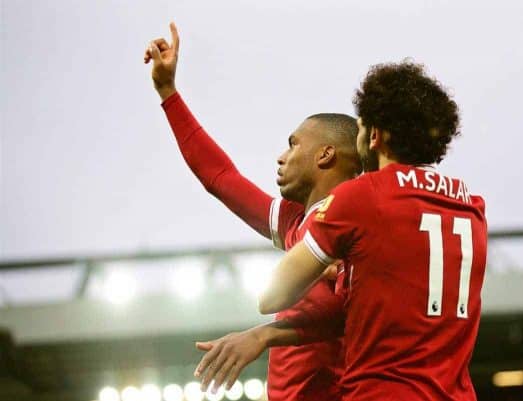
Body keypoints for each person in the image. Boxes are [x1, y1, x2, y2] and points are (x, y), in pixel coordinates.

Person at [144, 23, 361, 401]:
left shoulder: (355, 221)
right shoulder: (300, 221)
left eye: (293, 144)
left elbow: (346, 312)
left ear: (326, 154)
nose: (281, 156)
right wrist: (168, 93)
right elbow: (220, 177)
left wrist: (265, 334)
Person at [259, 62, 488, 401]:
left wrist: (324, 264)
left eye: (362, 128)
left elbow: (272, 297)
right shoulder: (473, 207)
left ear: (376, 135)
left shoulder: (362, 197)